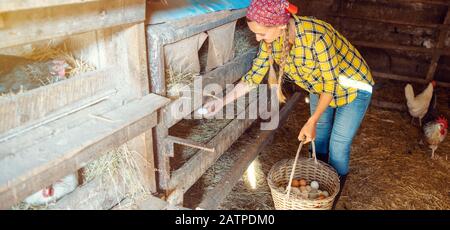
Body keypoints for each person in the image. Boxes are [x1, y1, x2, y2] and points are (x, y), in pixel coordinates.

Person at [203, 0, 374, 208]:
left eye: (262, 34)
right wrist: (220, 103)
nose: (258, 39)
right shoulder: (271, 42)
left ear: (280, 25)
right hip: (320, 88)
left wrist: (311, 120)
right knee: (318, 138)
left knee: (338, 145)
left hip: (353, 87)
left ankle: (330, 201)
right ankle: (316, 192)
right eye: (255, 33)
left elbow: (331, 85)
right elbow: (253, 77)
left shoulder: (316, 36)